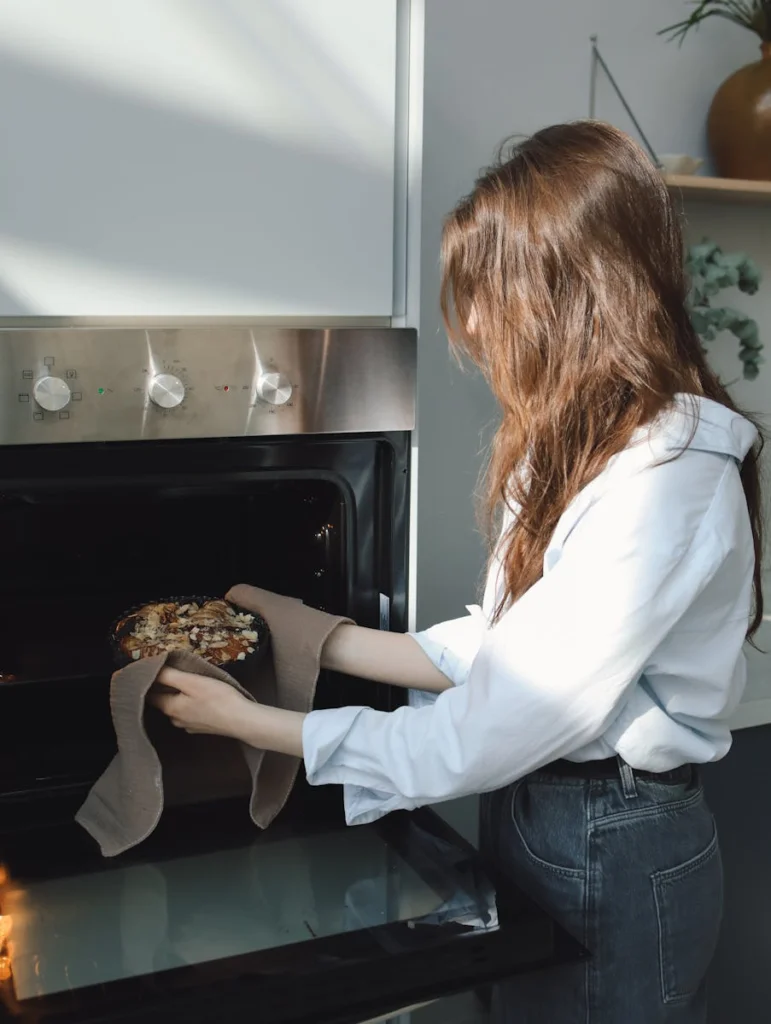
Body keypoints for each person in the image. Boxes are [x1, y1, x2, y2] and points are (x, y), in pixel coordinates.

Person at [151, 121, 763, 1023]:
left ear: (574, 291)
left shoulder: (666, 481)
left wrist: (253, 721)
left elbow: (482, 734)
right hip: (547, 811)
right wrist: (323, 638)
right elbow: (508, 646)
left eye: (488, 292)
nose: (471, 323)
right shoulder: (577, 442)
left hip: (614, 837)